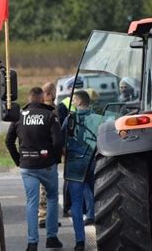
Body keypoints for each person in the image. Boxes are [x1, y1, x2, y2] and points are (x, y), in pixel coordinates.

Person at [5, 87, 64, 251]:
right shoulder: (50, 115)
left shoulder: (19, 116)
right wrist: (56, 158)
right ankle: (51, 238)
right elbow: (58, 141)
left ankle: (32, 243)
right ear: (40, 98)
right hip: (47, 165)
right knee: (52, 198)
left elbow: (8, 141)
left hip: (27, 166)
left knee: (32, 202)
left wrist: (18, 160)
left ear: (30, 98)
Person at [64, 90, 101, 251]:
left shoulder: (70, 119)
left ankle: (80, 241)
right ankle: (104, 235)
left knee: (77, 204)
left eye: (74, 100)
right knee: (102, 199)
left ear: (79, 102)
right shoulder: (99, 119)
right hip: (95, 163)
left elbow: (61, 137)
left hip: (76, 164)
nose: (72, 103)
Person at [57, 76, 84, 217]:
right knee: (73, 177)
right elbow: (61, 129)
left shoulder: (63, 104)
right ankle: (69, 206)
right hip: (76, 145)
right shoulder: (64, 106)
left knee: (72, 177)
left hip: (73, 145)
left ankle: (70, 207)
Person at [38, 82, 57, 229]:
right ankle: (46, 217)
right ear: (50, 93)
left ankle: (42, 216)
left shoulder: (36, 108)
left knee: (41, 189)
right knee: (50, 190)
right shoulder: (52, 110)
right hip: (49, 154)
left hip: (36, 153)